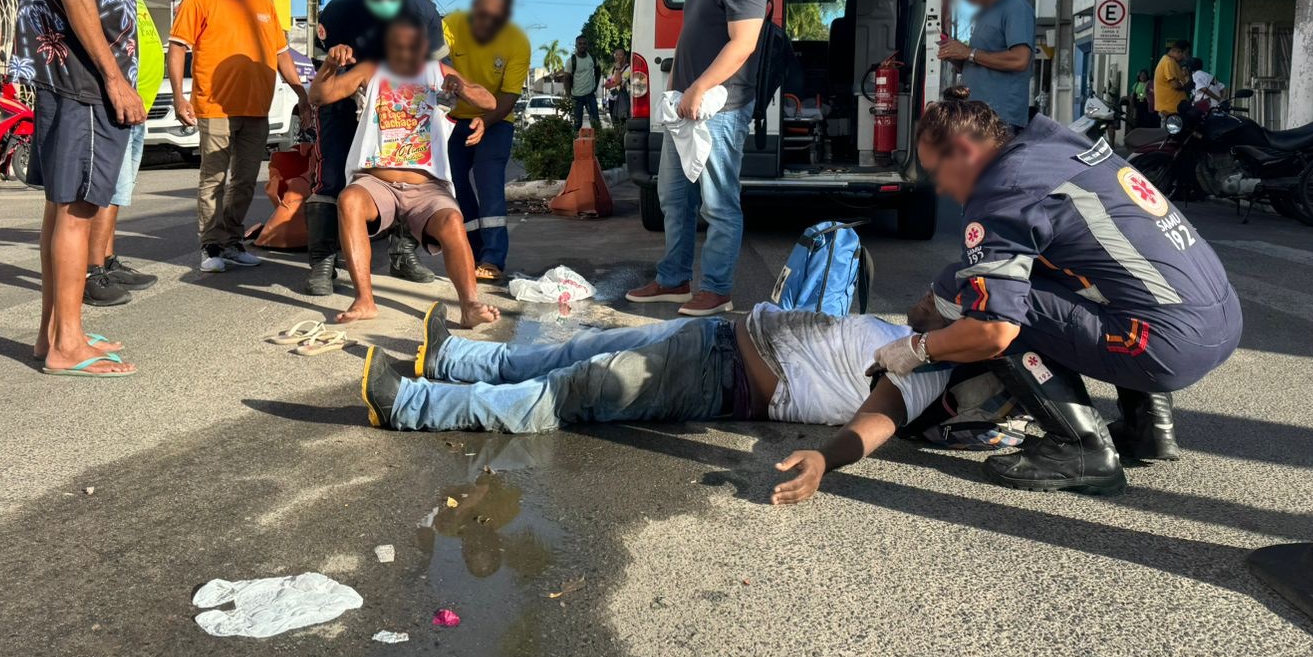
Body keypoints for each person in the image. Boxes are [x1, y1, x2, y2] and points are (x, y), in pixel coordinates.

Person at [857, 99, 1241, 496]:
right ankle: (1148, 429)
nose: (939, 187)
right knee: (1090, 276)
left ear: (966, 152)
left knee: (993, 310)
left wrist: (919, 348)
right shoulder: (1056, 148)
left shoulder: (1003, 189)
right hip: (1221, 322)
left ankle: (1080, 449)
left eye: (937, 172)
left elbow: (993, 333)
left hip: (1165, 345)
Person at [13, 0, 173, 377]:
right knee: (81, 207)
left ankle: (52, 333)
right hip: (84, 78)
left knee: (60, 207)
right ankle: (67, 345)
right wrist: (114, 79)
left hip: (61, 71)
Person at [359, 298, 960, 436]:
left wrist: (824, 462)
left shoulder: (924, 370)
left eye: (950, 300)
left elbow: (874, 423)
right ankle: (453, 357)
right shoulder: (914, 334)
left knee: (569, 390)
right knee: (573, 351)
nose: (935, 299)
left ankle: (409, 405)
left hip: (719, 377)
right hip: (717, 336)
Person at [308, 12, 502, 329]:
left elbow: (488, 101)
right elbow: (319, 96)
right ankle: (365, 300)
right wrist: (330, 66)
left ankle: (469, 306)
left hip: (426, 189)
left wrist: (462, 87)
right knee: (349, 200)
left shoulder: (437, 72)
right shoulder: (372, 70)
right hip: (376, 182)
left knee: (453, 220)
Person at [626, 0, 766, 318]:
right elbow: (692, 39)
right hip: (686, 105)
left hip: (718, 109)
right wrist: (675, 86)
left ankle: (718, 289)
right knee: (672, 195)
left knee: (719, 204)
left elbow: (743, 44)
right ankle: (674, 279)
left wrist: (700, 88)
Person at [168, 0, 311, 273]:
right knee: (213, 178)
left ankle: (232, 241)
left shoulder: (263, 3)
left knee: (245, 180)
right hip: (215, 105)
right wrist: (178, 95)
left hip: (256, 108)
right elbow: (177, 48)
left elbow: (281, 55)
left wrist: (302, 94)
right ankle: (211, 245)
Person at [308, 0, 449, 296]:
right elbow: (320, 77)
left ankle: (402, 253)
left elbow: (438, 76)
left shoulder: (424, 12)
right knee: (331, 176)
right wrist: (329, 70)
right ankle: (323, 259)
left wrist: (467, 111)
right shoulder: (338, 13)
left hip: (398, 106)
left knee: (404, 173)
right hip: (344, 100)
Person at [83, 0, 164, 307]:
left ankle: (108, 260)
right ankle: (91, 271)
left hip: (136, 106)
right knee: (104, 191)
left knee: (119, 192)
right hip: (114, 102)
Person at [443, 0, 530, 282]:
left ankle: (493, 258)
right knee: (455, 185)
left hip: (496, 120)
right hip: (456, 120)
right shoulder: (452, 24)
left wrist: (486, 120)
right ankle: (470, 250)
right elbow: (433, 55)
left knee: (488, 179)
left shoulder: (517, 42)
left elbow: (509, 97)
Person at [937, 0, 1036, 130]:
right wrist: (956, 56)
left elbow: (1020, 60)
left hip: (1000, 118)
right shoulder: (984, 15)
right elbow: (977, 63)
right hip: (976, 115)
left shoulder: (1015, 8)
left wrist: (969, 53)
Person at [564, 35, 602, 129]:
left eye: (584, 44)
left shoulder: (592, 58)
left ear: (587, 45)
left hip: (590, 95)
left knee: (595, 122)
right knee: (577, 124)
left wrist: (596, 86)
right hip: (576, 97)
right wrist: (568, 96)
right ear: (576, 45)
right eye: (580, 44)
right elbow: (566, 79)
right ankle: (574, 142)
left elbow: (598, 71)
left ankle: (598, 142)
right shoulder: (571, 61)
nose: (582, 46)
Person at [1154, 39, 1191, 122]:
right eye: (1186, 54)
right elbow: (1175, 84)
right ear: (1178, 52)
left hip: (1174, 109)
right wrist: (1186, 85)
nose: (1186, 57)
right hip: (1170, 110)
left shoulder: (1172, 62)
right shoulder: (1168, 62)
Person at [606, 45, 631, 124]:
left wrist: (617, 69)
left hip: (622, 100)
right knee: (615, 124)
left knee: (622, 123)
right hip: (612, 99)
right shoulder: (613, 68)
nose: (617, 57)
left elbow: (619, 82)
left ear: (625, 57)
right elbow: (608, 83)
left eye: (620, 55)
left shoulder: (629, 68)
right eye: (616, 55)